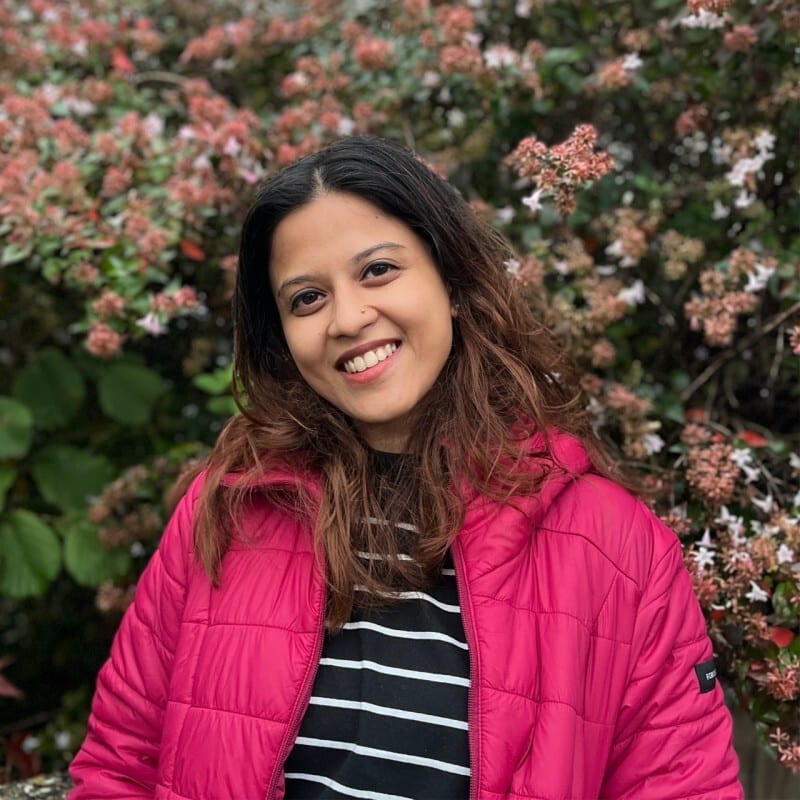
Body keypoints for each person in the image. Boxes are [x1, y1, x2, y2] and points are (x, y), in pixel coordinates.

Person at [69, 135, 742, 799]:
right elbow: (118, 769)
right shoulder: (228, 511)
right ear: (282, 338)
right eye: (307, 298)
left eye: (378, 271)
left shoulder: (617, 549)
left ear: (451, 280)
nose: (349, 317)